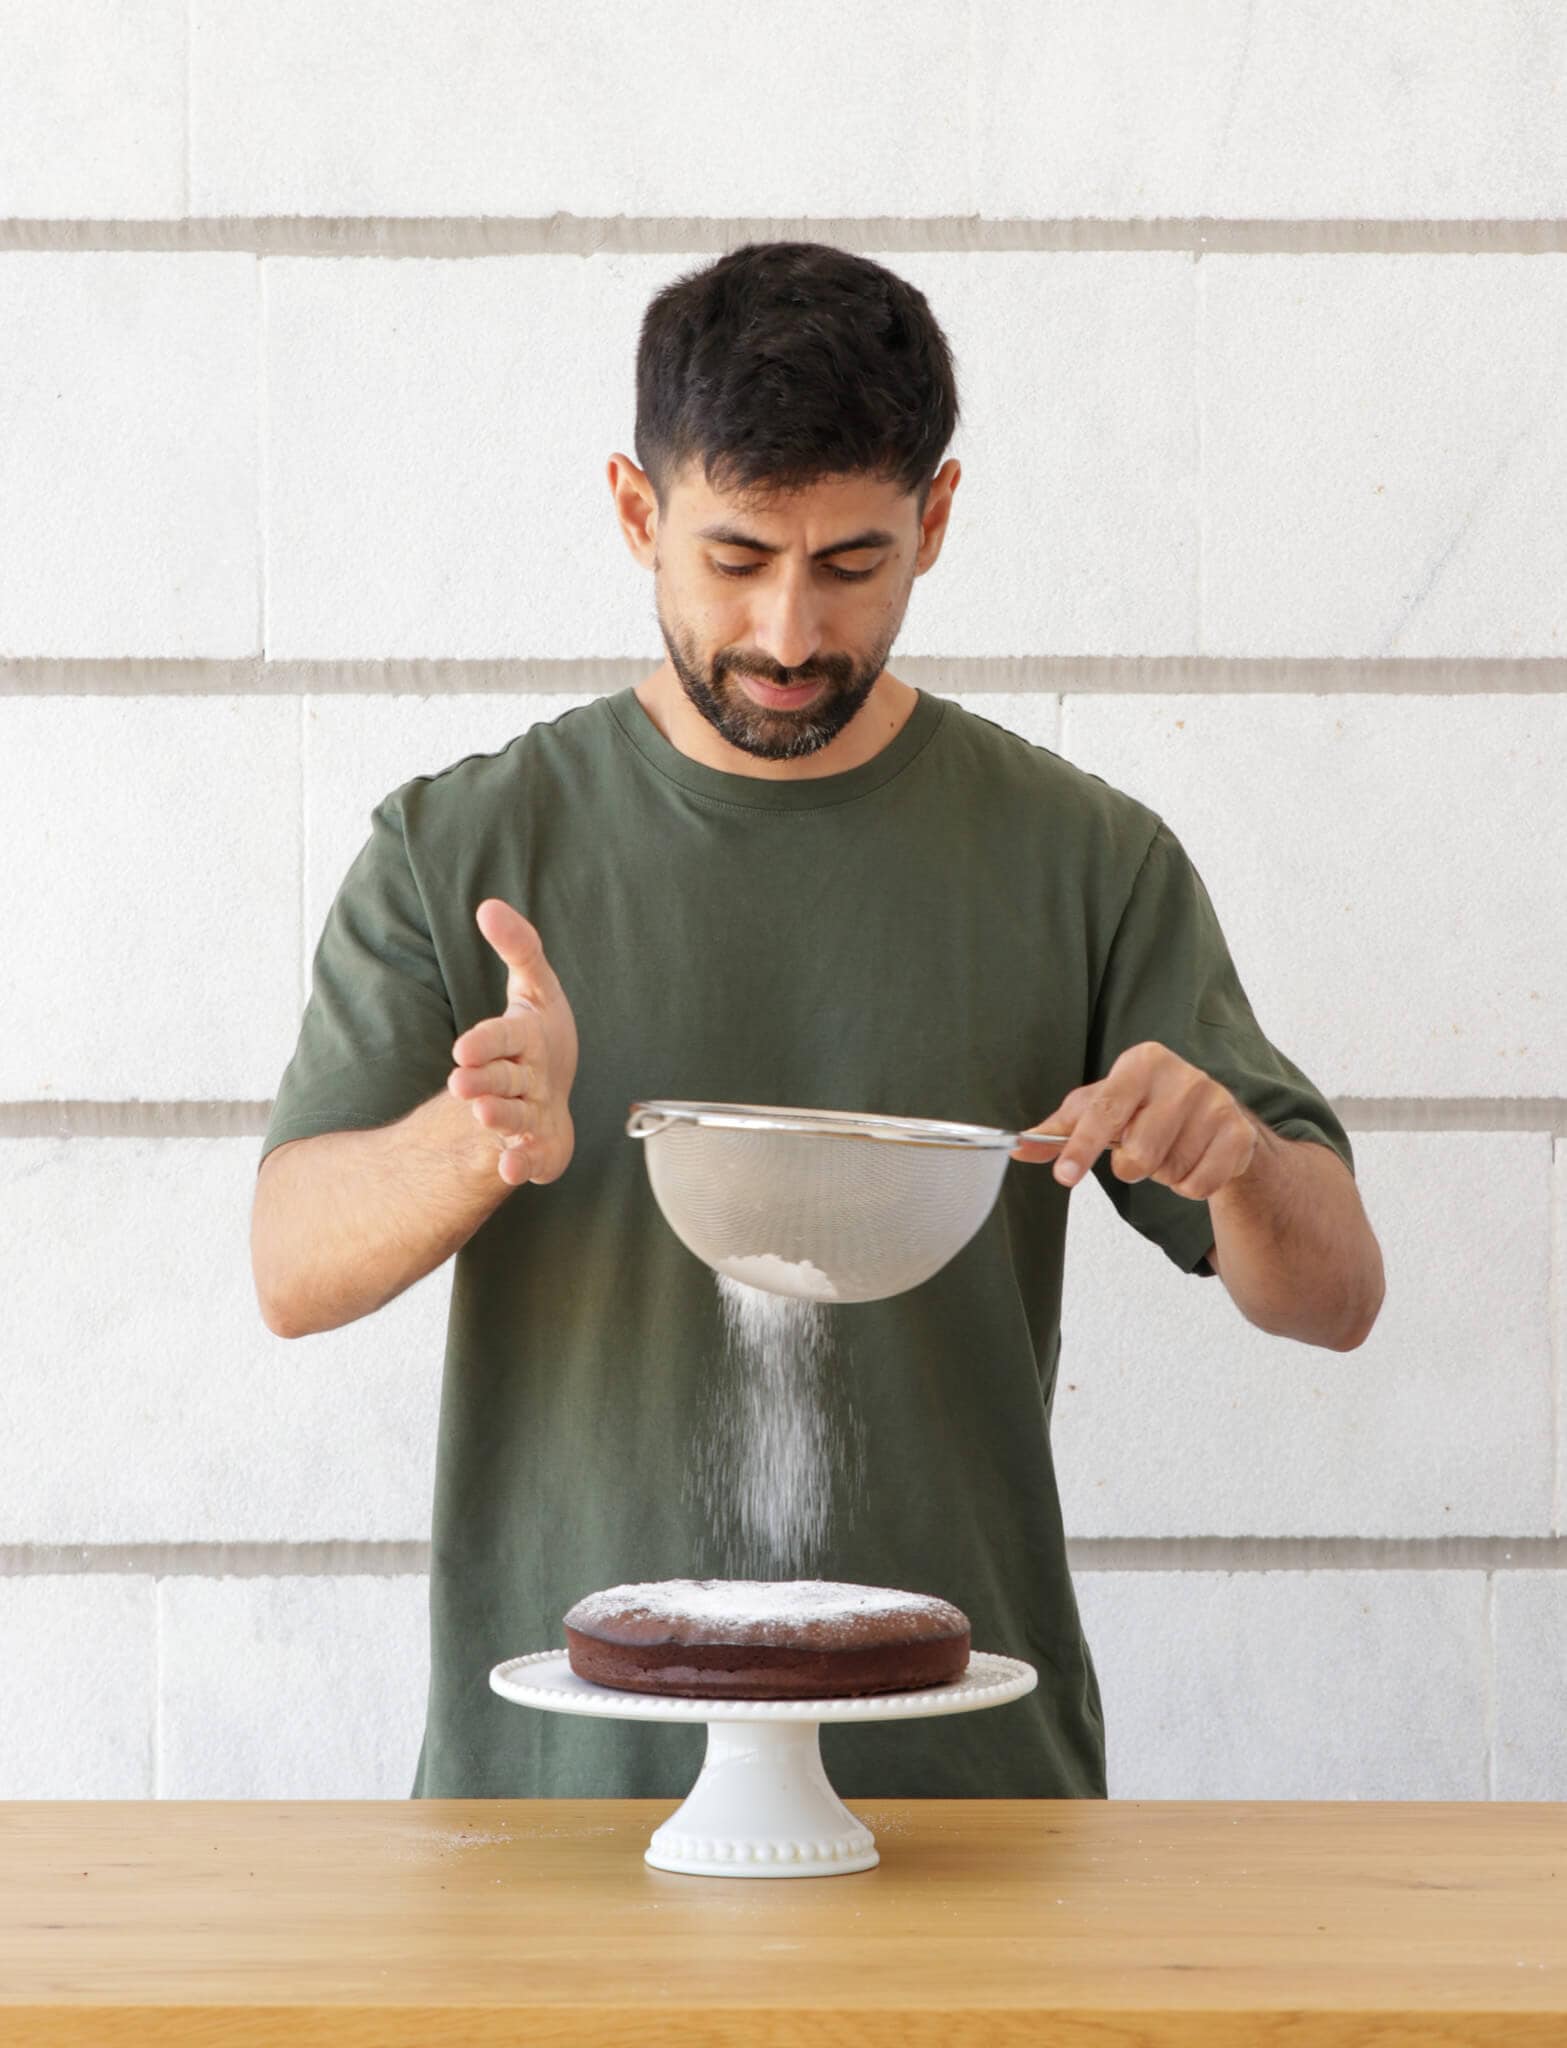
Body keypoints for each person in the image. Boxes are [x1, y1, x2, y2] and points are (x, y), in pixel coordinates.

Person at [251, 240, 1384, 1800]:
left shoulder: (1084, 860)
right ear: (638, 514)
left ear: (937, 517)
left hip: (971, 1794)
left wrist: (1239, 1164)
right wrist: (480, 1137)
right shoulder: (465, 849)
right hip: (562, 1799)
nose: (790, 632)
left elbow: (1334, 1296)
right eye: (735, 557)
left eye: (852, 563)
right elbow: (289, 1269)